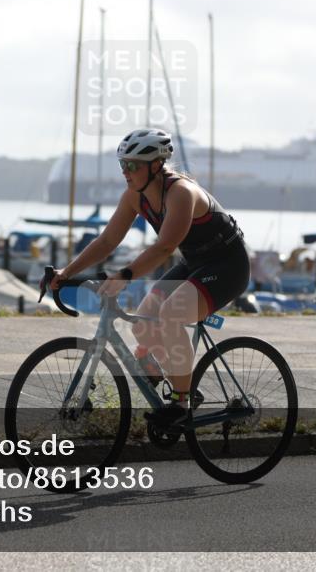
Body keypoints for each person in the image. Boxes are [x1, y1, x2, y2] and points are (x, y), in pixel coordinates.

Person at [50, 128, 249, 426]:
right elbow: (107, 241)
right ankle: (178, 382)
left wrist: (125, 275)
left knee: (170, 315)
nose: (125, 172)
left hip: (227, 266)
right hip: (195, 263)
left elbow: (165, 247)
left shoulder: (181, 193)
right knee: (143, 324)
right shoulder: (135, 196)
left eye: (132, 165)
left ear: (156, 165)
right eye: (122, 164)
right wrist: (66, 272)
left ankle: (180, 403)